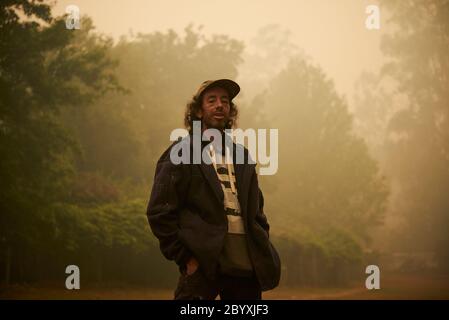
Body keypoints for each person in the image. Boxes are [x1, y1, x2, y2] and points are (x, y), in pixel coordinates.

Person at [146, 79, 280, 300]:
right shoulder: (181, 152)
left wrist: (260, 239)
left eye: (225, 101)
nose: (220, 105)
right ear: (198, 111)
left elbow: (257, 209)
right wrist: (186, 259)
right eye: (212, 100)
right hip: (203, 266)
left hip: (246, 267)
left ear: (230, 111)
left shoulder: (243, 156)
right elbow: (159, 212)